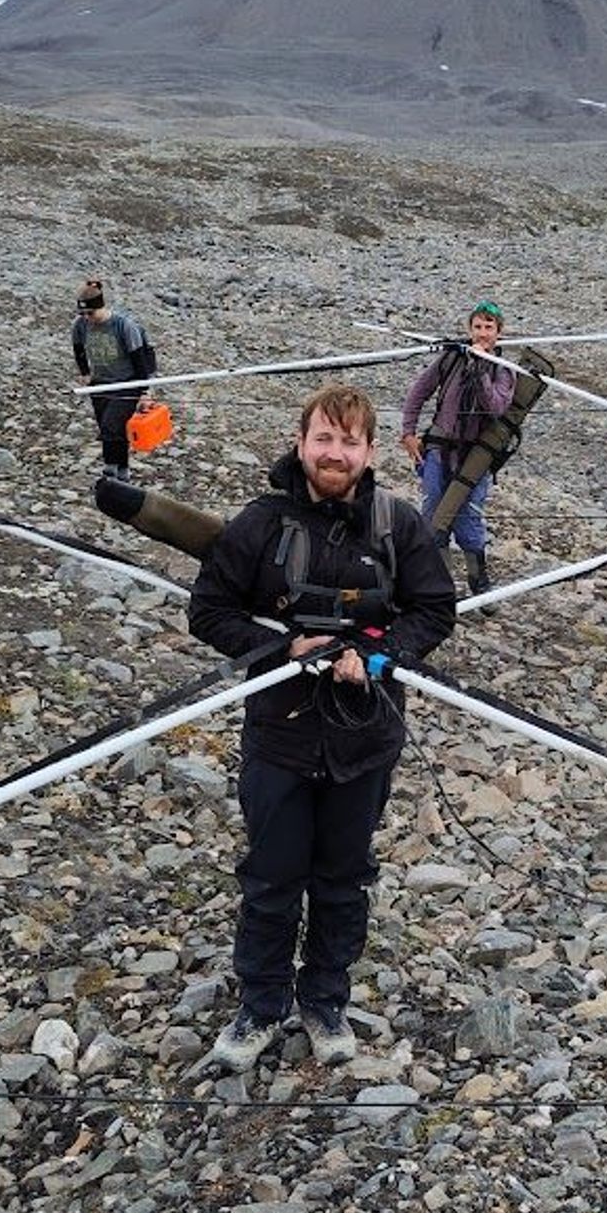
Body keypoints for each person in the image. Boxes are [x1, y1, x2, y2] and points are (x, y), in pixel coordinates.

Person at [188, 386, 456, 1072]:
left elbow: (433, 609)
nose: (334, 454)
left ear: (368, 452)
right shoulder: (259, 525)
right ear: (301, 442)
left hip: (365, 738)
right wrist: (284, 651)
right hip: (279, 735)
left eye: (349, 443)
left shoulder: (397, 525)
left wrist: (380, 653)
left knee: (343, 878)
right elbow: (209, 612)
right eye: (323, 440)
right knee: (270, 879)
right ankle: (261, 1004)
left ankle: (325, 999)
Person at [400, 300, 516, 595]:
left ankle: (480, 585)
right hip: (438, 451)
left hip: (475, 459)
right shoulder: (451, 359)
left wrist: (480, 367)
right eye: (477, 326)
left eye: (489, 327)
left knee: (468, 522)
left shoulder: (505, 371)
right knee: (433, 516)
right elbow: (419, 392)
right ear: (469, 329)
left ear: (499, 333)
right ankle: (439, 587)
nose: (482, 333)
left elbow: (495, 407)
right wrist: (408, 432)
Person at [71, 276, 157, 477]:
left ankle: (111, 470)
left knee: (111, 426)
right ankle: (122, 469)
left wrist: (146, 390)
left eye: (90, 312)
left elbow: (140, 358)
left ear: (101, 306)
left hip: (126, 382)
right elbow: (78, 348)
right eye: (82, 313)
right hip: (100, 384)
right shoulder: (80, 325)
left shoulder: (123, 326)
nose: (87, 317)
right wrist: (85, 372)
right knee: (110, 429)